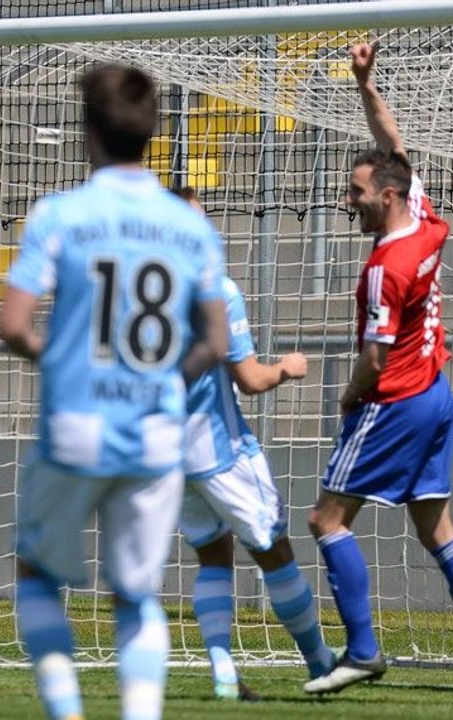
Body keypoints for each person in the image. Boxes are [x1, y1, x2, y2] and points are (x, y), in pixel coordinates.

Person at [0, 64, 228, 720]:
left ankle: (66, 710)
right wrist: (163, 380)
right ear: (152, 132)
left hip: (75, 426)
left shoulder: (59, 215)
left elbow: (12, 326)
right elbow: (214, 341)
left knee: (38, 574)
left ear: (88, 130)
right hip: (154, 435)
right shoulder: (190, 227)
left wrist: (61, 360)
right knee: (137, 597)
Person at [302, 43, 453, 704]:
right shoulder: (421, 222)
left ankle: (363, 650)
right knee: (436, 528)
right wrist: (366, 85)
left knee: (326, 520)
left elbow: (375, 358)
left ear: (387, 195)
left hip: (393, 400)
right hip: (436, 395)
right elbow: (393, 145)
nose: (349, 201)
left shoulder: (385, 269)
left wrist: (346, 399)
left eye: (357, 192)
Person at [169, 187, 335, 700]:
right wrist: (286, 367)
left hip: (166, 452)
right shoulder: (217, 291)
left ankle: (223, 671)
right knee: (274, 552)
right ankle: (321, 661)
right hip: (220, 449)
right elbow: (250, 379)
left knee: (213, 555)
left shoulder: (141, 291)